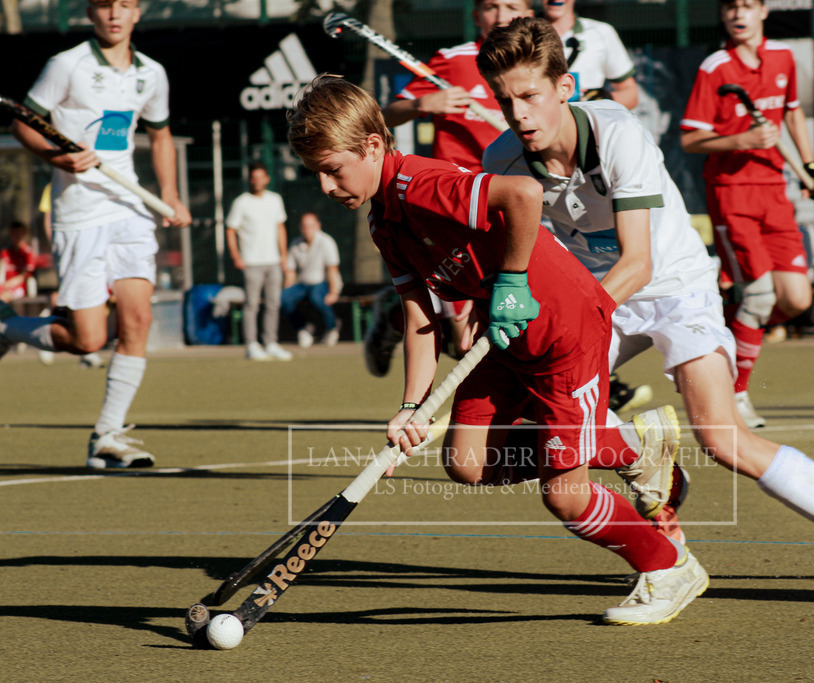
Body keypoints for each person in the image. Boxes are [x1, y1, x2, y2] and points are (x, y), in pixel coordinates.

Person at [479, 17, 814, 586]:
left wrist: (567, 323)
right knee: (532, 423)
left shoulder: (617, 133)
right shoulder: (499, 162)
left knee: (722, 438)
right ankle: (644, 458)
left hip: (672, 285)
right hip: (598, 297)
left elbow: (638, 263)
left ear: (564, 88)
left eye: (529, 96)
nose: (519, 113)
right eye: (505, 101)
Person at [287, 74, 709, 626]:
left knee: (566, 499)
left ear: (371, 147)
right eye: (316, 173)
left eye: (332, 169)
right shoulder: (383, 219)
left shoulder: (422, 183)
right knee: (466, 462)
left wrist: (511, 279)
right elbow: (420, 317)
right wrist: (411, 408)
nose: (325, 186)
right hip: (503, 343)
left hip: (566, 336)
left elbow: (524, 194)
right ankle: (630, 447)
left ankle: (670, 566)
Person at [371, 0, 651, 411]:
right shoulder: (451, 61)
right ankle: (396, 319)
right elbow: (381, 118)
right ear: (476, 15)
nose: (501, 14)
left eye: (512, 6)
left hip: (516, 199)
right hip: (459, 208)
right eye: (491, 6)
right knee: (469, 332)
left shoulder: (537, 71)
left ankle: (582, 385)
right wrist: (422, 105)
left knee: (526, 312)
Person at [1, 0, 191, 468]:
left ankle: (108, 436)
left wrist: (170, 193)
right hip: (79, 212)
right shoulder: (66, 65)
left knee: (138, 320)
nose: (114, 14)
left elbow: (161, 134)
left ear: (138, 13)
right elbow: (22, 124)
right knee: (86, 339)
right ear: (91, 12)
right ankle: (7, 327)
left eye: (125, 6)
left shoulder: (152, 73)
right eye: (105, 5)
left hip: (129, 209)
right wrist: (58, 158)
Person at [680, 0, 814, 428]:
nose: (738, 14)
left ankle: (728, 332)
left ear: (763, 10)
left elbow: (793, 110)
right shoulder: (715, 67)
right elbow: (691, 140)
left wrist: (809, 163)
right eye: (730, 7)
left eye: (747, 5)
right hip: (731, 194)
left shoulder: (783, 57)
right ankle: (736, 393)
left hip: (774, 192)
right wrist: (742, 139)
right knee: (761, 296)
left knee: (797, 298)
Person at [226, 161, 292, 361]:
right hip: (251, 262)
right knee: (251, 304)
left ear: (266, 179)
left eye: (260, 177)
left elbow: (280, 228)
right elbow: (231, 229)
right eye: (253, 178)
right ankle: (251, 345)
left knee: (273, 303)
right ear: (250, 180)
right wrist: (236, 256)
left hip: (273, 261)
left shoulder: (275, 200)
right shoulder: (241, 202)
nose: (256, 181)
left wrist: (283, 256)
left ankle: (270, 343)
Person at [541, 0, 639, 109]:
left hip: (589, 122)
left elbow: (631, 94)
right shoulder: (524, 35)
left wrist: (606, 99)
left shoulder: (601, 32)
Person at [281, 212, 342, 348]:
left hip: (322, 283)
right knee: (282, 299)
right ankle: (304, 329)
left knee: (317, 298)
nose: (307, 230)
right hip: (303, 284)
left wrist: (333, 292)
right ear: (300, 227)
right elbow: (291, 272)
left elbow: (332, 270)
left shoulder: (327, 242)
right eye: (304, 226)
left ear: (318, 226)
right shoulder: (295, 243)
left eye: (311, 226)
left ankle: (332, 326)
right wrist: (287, 290)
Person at [1, 221, 37, 303]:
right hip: (4, 286)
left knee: (3, 298)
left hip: (19, 288)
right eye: (14, 233)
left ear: (24, 234)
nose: (17, 236)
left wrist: (7, 284)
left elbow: (25, 275)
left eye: (19, 233)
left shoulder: (28, 252)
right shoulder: (5, 252)